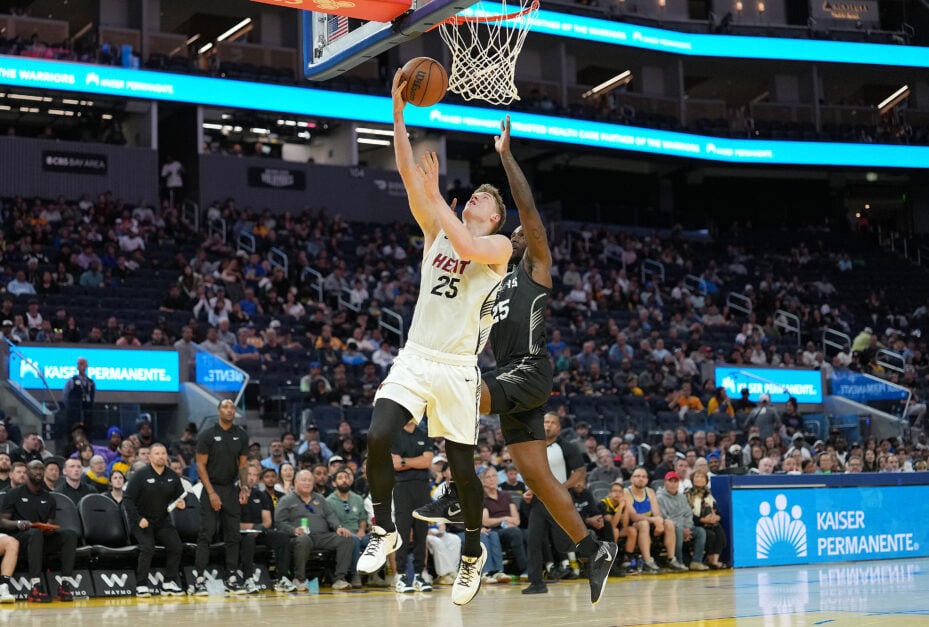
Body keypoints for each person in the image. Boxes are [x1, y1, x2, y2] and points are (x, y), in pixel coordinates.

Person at [413, 116, 618, 604]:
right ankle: (593, 550)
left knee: (460, 395)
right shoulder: (490, 275)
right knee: (538, 479)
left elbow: (528, 213)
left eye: (525, 232)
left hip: (527, 370)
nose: (522, 235)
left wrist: (505, 156)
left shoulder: (537, 267)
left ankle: (454, 493)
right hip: (505, 375)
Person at [356, 69, 511, 608]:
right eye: (469, 197)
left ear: (495, 217)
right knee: (377, 435)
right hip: (419, 356)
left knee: (463, 468)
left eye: (480, 202)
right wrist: (399, 116)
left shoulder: (499, 251)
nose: (471, 201)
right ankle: (383, 527)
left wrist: (438, 195)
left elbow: (467, 245)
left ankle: (472, 553)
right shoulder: (439, 229)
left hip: (459, 367)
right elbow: (406, 172)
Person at [193, 399, 250, 595]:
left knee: (233, 535)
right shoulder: (208, 435)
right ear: (218, 411)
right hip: (211, 487)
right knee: (206, 533)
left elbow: (243, 465)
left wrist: (244, 487)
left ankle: (232, 577)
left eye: (232, 407)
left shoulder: (241, 435)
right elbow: (200, 465)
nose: (229, 410)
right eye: (225, 407)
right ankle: (199, 579)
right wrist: (211, 492)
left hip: (230, 489)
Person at [1, 460, 78, 602]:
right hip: (19, 538)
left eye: (41, 469)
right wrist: (19, 523)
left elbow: (49, 522)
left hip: (40, 537)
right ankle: (35, 586)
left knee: (70, 534)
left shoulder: (49, 497)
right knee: (35, 534)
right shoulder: (13, 494)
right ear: (27, 472)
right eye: (34, 468)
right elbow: (2, 522)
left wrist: (48, 528)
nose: (38, 471)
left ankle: (65, 585)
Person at [123, 443, 187, 597]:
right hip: (142, 520)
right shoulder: (140, 475)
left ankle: (168, 583)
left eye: (163, 453)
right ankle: (141, 585)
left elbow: (180, 496)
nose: (161, 456)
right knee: (148, 547)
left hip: (163, 521)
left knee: (176, 547)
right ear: (149, 457)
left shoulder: (172, 476)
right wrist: (138, 519)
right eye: (157, 453)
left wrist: (181, 503)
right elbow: (128, 499)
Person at [274, 469, 354, 591]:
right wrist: (294, 530)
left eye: (310, 480)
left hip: (322, 536)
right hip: (299, 537)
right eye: (304, 480)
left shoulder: (320, 499)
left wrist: (338, 527)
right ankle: (299, 579)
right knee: (304, 539)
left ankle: (339, 579)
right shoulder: (286, 500)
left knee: (345, 539)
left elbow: (330, 516)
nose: (307, 483)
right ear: (295, 482)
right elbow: (280, 522)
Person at [390, 419, 434, 593]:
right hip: (402, 487)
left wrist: (404, 462)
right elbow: (394, 464)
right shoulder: (394, 435)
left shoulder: (424, 435)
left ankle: (418, 575)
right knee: (403, 530)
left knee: (421, 531)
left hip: (422, 487)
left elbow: (427, 462)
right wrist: (416, 461)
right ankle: (400, 575)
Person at [239, 462, 292, 593]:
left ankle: (282, 578)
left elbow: (267, 521)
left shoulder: (260, 495)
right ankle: (248, 580)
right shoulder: (233, 493)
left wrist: (259, 528)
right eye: (248, 474)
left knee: (283, 538)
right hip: (240, 533)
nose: (251, 478)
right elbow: (233, 523)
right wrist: (253, 527)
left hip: (260, 531)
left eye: (255, 475)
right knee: (249, 538)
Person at [626, 466, 685, 573]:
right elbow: (633, 516)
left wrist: (659, 522)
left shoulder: (650, 492)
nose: (641, 479)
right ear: (631, 478)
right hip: (632, 524)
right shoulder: (626, 492)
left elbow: (657, 513)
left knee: (669, 523)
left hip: (648, 521)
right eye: (637, 476)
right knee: (644, 524)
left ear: (647, 480)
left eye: (644, 477)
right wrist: (654, 520)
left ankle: (671, 559)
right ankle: (647, 561)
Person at [326, 467, 368, 588]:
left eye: (346, 477)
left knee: (378, 539)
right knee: (353, 540)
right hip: (341, 534)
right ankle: (355, 575)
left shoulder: (358, 498)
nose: (344, 480)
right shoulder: (328, 501)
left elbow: (363, 519)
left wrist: (361, 530)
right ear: (334, 483)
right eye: (340, 478)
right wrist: (351, 533)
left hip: (358, 533)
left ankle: (375, 575)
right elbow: (331, 523)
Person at [656, 471, 708, 570]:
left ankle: (696, 562)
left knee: (701, 532)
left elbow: (688, 513)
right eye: (670, 481)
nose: (673, 484)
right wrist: (682, 528)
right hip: (670, 528)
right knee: (677, 531)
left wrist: (687, 527)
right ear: (665, 483)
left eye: (675, 482)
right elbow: (664, 517)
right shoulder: (659, 498)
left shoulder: (682, 497)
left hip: (685, 527)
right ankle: (678, 561)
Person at [686, 469, 728, 569]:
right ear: (692, 479)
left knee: (720, 531)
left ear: (706, 480)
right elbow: (687, 514)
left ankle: (715, 560)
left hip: (710, 522)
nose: (699, 479)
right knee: (710, 535)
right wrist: (703, 520)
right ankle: (710, 560)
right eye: (697, 476)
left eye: (702, 477)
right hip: (695, 523)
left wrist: (716, 517)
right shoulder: (688, 494)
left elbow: (717, 511)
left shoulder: (709, 495)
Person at [62, 357, 95, 435]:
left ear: (86, 366)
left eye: (82, 364)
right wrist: (71, 408)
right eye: (78, 364)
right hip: (74, 414)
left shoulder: (91, 382)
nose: (79, 366)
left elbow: (92, 398)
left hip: (87, 414)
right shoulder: (72, 380)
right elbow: (65, 397)